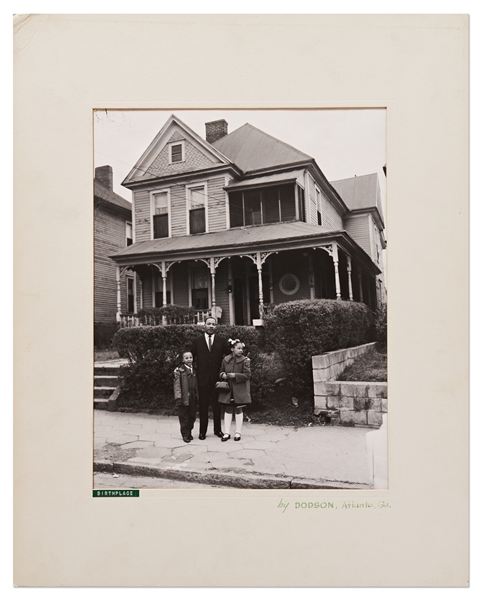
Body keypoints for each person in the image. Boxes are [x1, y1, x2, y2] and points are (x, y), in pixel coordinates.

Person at [190, 317, 230, 440]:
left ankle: (218, 430)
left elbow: (229, 357)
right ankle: (202, 432)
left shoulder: (221, 341)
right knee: (203, 406)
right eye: (209, 324)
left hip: (217, 378)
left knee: (217, 405)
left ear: (216, 326)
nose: (211, 326)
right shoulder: (197, 341)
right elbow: (190, 358)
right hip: (202, 379)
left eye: (213, 324)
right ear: (204, 326)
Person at [217, 339, 251, 442]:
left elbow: (247, 375)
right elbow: (221, 370)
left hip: (239, 389)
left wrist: (235, 375)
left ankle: (238, 432)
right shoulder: (226, 359)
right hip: (228, 388)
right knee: (227, 409)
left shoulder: (245, 360)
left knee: (238, 409)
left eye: (242, 348)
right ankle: (226, 432)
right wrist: (222, 375)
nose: (241, 350)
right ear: (232, 349)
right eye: (238, 348)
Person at [173, 351, 198, 443]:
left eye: (190, 357)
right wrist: (178, 398)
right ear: (183, 360)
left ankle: (189, 431)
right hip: (183, 397)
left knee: (192, 415)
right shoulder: (179, 371)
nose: (189, 360)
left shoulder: (194, 370)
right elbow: (177, 385)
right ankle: (185, 434)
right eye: (186, 358)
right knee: (183, 416)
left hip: (193, 396)